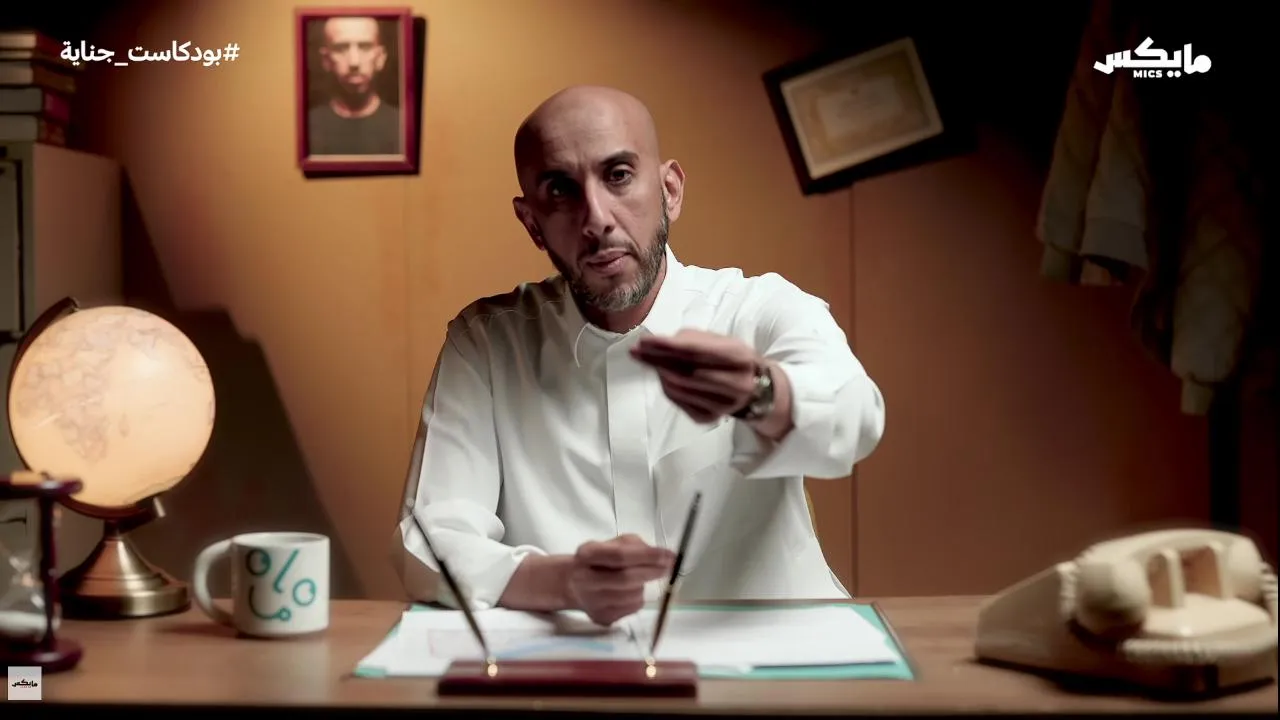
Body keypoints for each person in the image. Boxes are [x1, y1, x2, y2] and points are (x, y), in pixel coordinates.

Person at [391, 85, 886, 626]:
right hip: (579, 661)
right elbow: (430, 537)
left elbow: (856, 417)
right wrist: (560, 582)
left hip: (778, 657)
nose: (596, 218)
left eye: (618, 175)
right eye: (560, 189)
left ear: (670, 190)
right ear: (532, 223)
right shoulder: (486, 344)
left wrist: (762, 393)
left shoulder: (761, 309)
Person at [307, 16, 400, 156]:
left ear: (380, 58)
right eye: (341, 48)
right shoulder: (307, 127)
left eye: (365, 47)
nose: (354, 62)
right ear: (326, 59)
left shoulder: (403, 126)